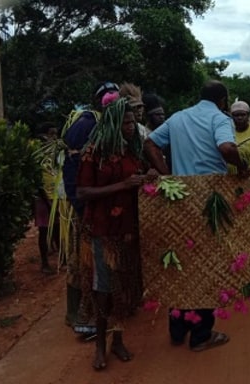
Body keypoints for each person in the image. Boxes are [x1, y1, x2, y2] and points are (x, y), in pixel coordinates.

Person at [143, 80, 249, 352]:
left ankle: (178, 330)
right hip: (209, 201)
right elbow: (226, 148)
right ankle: (201, 334)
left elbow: (150, 144)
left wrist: (168, 174)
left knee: (180, 263)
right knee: (207, 266)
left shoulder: (178, 117)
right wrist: (241, 165)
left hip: (179, 199)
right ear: (223, 101)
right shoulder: (219, 118)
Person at [76, 95, 156, 370]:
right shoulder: (93, 152)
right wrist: (123, 185)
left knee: (123, 290)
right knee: (103, 290)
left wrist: (147, 178)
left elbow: (137, 178)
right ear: (112, 122)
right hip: (101, 230)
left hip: (127, 230)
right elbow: (83, 192)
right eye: (126, 122)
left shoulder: (131, 150)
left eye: (133, 122)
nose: (132, 126)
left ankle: (118, 340)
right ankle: (100, 345)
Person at [62, 80, 119, 334]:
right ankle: (80, 316)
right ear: (100, 101)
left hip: (97, 205)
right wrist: (80, 204)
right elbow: (73, 168)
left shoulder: (106, 125)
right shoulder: (87, 124)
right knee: (82, 260)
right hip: (86, 206)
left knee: (96, 261)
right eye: (108, 98)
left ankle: (93, 312)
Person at [34, 122, 60, 274]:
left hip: (56, 195)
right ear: (43, 136)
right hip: (43, 199)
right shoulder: (38, 155)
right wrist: (48, 202)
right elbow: (38, 181)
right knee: (44, 230)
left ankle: (60, 257)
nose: (54, 137)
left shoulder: (55, 153)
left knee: (57, 226)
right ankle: (44, 263)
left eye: (56, 134)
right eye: (51, 134)